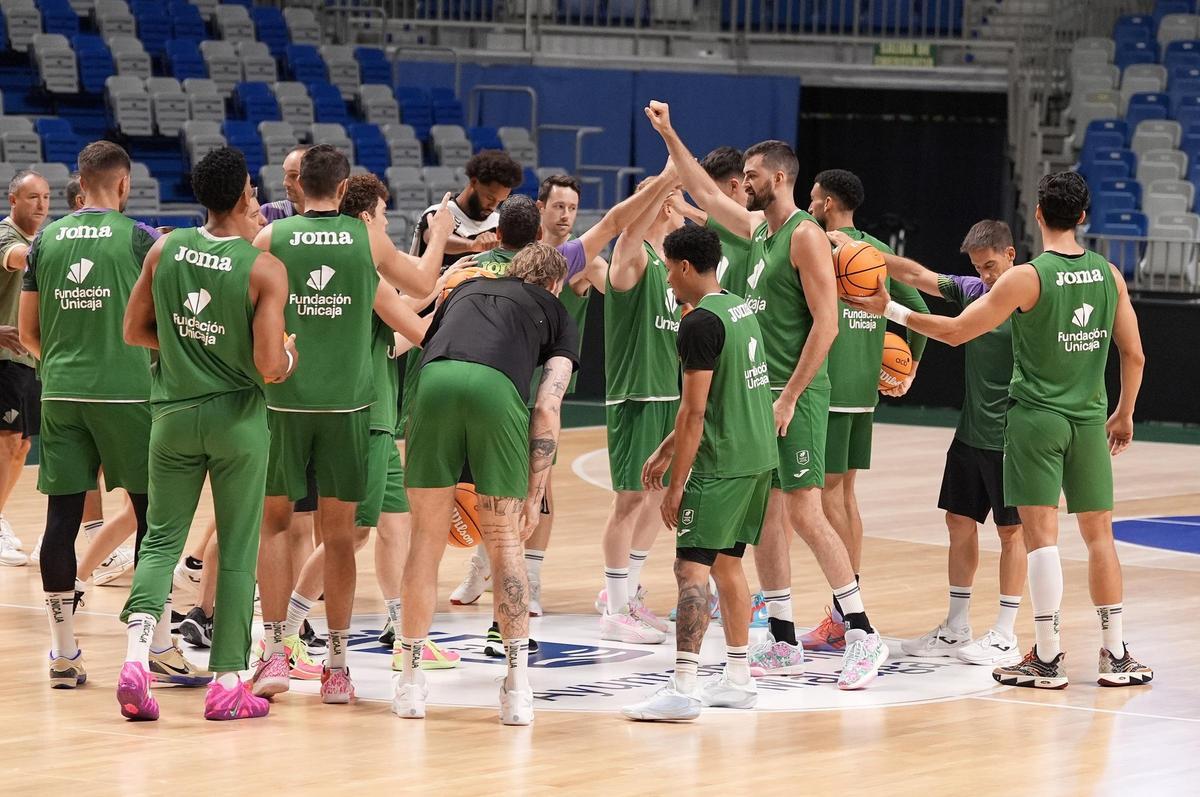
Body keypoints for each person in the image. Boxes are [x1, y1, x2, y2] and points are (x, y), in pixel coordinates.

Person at [845, 171, 1152, 689]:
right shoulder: (1109, 275)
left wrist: (889, 308)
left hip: (1035, 421)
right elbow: (1134, 353)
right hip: (1088, 419)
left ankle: (1047, 658)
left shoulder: (1026, 277)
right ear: (1083, 217)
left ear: (1038, 214)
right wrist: (1124, 413)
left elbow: (955, 331)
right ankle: (1116, 653)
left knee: (1041, 541)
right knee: (1100, 537)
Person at [647, 100, 888, 689]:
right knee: (767, 518)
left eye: (752, 176)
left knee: (805, 510)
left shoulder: (805, 237)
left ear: (779, 178)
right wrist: (670, 134)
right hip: (762, 396)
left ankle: (862, 631)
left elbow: (827, 325)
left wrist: (790, 398)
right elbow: (706, 193)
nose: (745, 183)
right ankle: (782, 637)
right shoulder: (759, 231)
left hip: (795, 397)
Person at [249, 144, 454, 704]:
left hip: (284, 404)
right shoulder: (366, 239)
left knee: (274, 528)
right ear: (343, 190)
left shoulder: (270, 238)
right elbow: (421, 285)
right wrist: (439, 235)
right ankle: (337, 669)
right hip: (349, 411)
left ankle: (274, 652)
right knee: (341, 538)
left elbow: (246, 313)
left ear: (299, 185)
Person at [115, 146, 296, 721]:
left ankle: (135, 660)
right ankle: (227, 682)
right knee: (238, 546)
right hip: (237, 420)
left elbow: (133, 330)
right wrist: (288, 357)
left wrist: (184, 349)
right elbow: (268, 365)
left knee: (160, 541)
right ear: (245, 194)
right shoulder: (264, 269)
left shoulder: (164, 248)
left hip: (172, 415)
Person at [19, 141, 206, 689]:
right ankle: (159, 646)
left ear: (80, 183)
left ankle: (63, 654)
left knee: (61, 520)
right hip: (128, 397)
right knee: (153, 520)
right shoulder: (139, 238)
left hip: (61, 394)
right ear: (123, 184)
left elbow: (28, 332)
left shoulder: (46, 239)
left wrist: (65, 367)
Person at [395, 242, 578, 726]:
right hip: (497, 391)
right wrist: (535, 492)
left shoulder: (467, 287)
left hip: (433, 384)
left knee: (425, 541)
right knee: (505, 543)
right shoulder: (556, 310)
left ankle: (410, 683)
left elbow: (427, 345)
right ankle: (517, 688)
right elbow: (547, 407)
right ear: (554, 284)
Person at [843, 220, 1025, 665]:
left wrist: (888, 309)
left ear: (1011, 255)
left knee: (1011, 532)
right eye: (978, 267)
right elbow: (916, 274)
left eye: (990, 265)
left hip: (1013, 434)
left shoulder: (1026, 298)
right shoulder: (973, 289)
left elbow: (953, 332)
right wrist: (863, 253)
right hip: (972, 431)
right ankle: (956, 628)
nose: (984, 275)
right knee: (958, 522)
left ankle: (1006, 633)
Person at [623, 224, 776, 721]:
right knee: (728, 565)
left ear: (686, 266)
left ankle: (684, 687)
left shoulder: (698, 324)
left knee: (690, 569)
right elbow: (724, 395)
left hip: (721, 464)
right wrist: (667, 448)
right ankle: (738, 678)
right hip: (757, 458)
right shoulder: (739, 309)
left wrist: (676, 485)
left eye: (669, 269)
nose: (668, 279)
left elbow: (694, 412)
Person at [803, 168, 928, 652]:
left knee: (827, 500)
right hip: (863, 391)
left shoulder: (818, 245)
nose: (809, 205)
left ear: (829, 204)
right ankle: (844, 607)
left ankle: (844, 614)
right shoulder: (876, 251)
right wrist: (910, 365)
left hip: (830, 388)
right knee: (844, 496)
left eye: (814, 198)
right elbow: (918, 308)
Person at [595, 163, 684, 645]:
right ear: (663, 207)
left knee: (655, 495)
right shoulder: (631, 258)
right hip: (636, 395)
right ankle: (613, 607)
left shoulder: (669, 268)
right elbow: (628, 229)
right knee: (629, 499)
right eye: (675, 205)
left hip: (668, 394)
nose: (682, 213)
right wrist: (666, 181)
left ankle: (627, 594)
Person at [0, 170, 49, 566]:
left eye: (46, 197)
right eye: (33, 197)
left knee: (21, 446)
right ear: (13, 199)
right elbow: (22, 258)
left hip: (28, 358)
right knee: (9, 441)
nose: (42, 204)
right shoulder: (7, 237)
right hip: (4, 358)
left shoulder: (41, 242)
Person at [412, 149, 523, 264]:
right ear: (474, 182)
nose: (493, 206)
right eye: (490, 198)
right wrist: (472, 245)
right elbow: (434, 238)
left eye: (500, 201)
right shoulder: (438, 213)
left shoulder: (498, 223)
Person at [260, 145, 308, 222]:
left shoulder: (329, 216)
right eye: (285, 173)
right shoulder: (268, 213)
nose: (285, 183)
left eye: (294, 176)